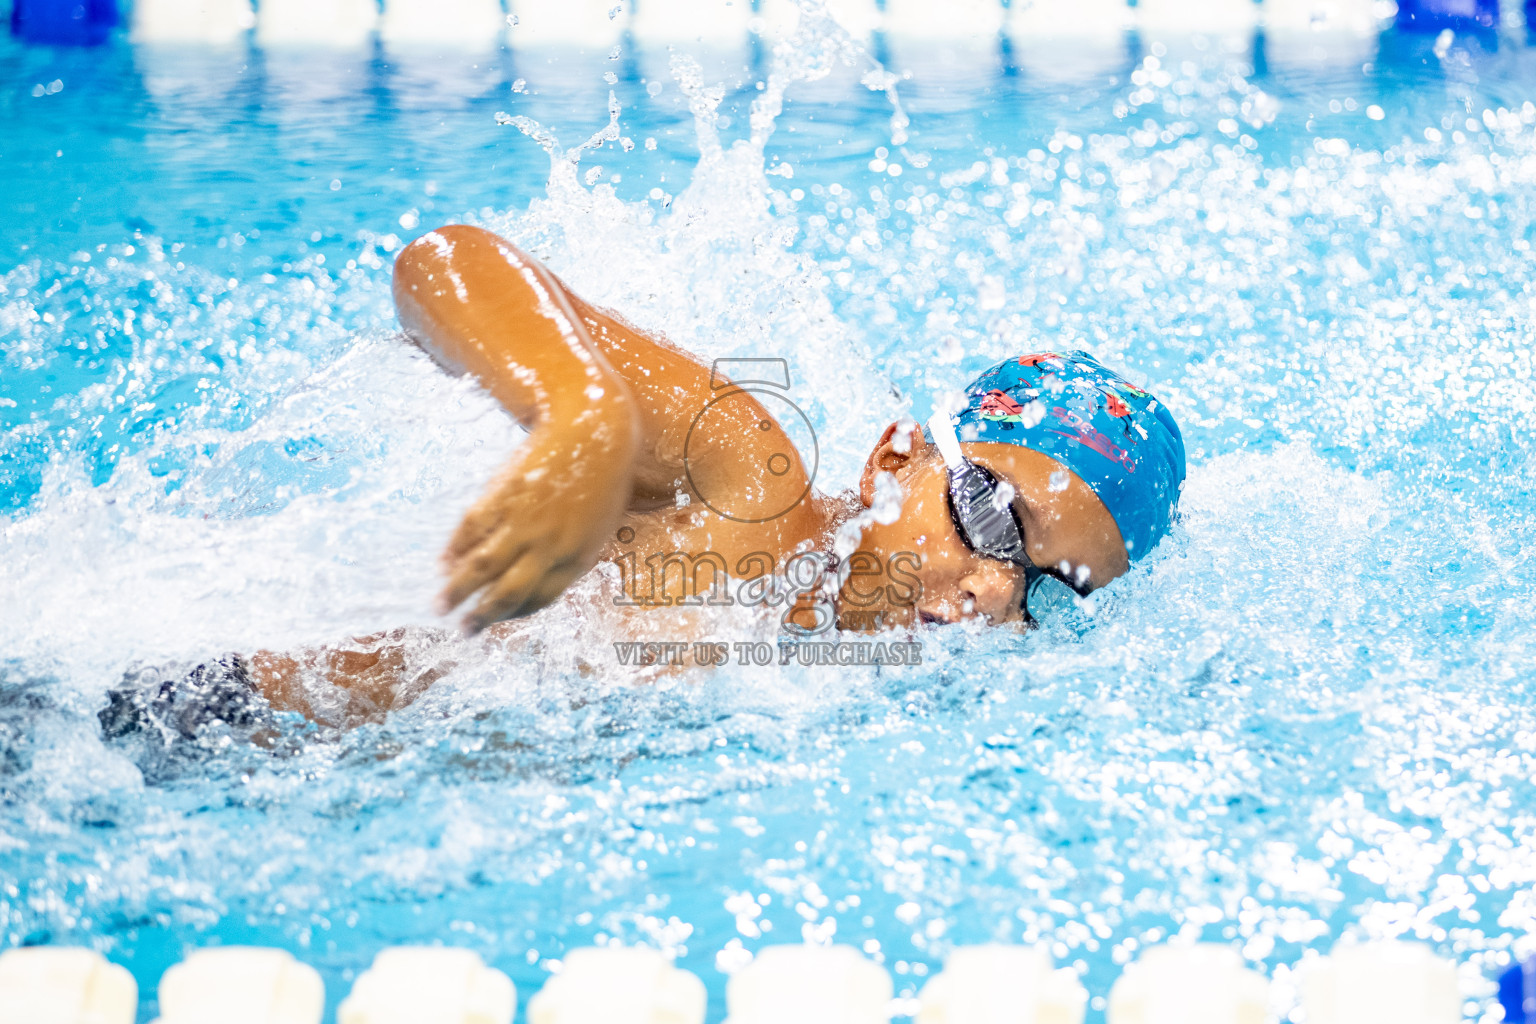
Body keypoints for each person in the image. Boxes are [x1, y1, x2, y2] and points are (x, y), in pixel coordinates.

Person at [101, 224, 1185, 737]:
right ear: (895, 458)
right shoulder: (751, 486)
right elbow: (445, 260)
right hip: (175, 714)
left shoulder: (836, 695)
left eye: (1050, 588)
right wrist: (584, 417)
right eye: (993, 517)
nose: (995, 589)